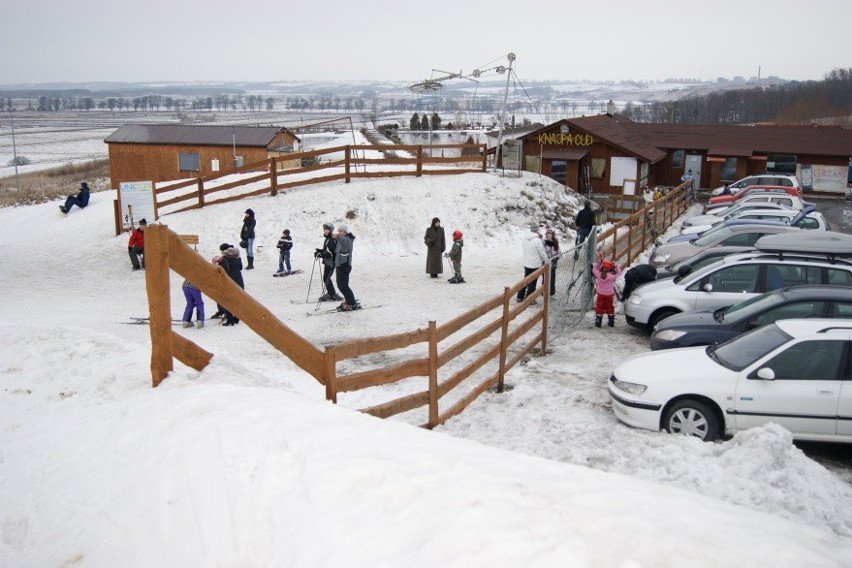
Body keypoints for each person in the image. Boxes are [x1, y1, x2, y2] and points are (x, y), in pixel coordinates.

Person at [517, 224, 548, 303]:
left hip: (527, 262)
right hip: (535, 264)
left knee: (526, 279)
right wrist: (547, 261)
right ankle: (529, 299)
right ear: (537, 230)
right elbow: (542, 253)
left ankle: (520, 296)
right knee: (533, 281)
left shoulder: (525, 239)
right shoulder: (537, 241)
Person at [216, 243, 245, 326]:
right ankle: (237, 318)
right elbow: (240, 267)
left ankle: (230, 320)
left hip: (230, 281)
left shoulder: (224, 259)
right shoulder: (237, 256)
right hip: (239, 279)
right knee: (238, 300)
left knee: (227, 300)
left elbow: (224, 271)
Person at [592, 254, 621, 328]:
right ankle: (611, 322)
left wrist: (599, 262)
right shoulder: (611, 276)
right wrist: (615, 265)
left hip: (600, 294)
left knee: (599, 307)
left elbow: (594, 268)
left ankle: (598, 322)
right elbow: (619, 272)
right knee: (609, 307)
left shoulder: (598, 275)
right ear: (610, 268)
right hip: (609, 295)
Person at [315, 222, 342, 301]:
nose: (325, 231)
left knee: (326, 278)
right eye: (324, 229)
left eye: (327, 229)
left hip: (331, 263)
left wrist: (321, 255)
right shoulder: (328, 239)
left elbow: (331, 253)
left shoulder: (331, 240)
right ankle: (331, 293)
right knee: (326, 278)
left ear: (331, 230)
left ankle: (332, 294)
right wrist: (320, 251)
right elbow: (327, 250)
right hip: (328, 262)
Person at [334, 224, 359, 311]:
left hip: (345, 266)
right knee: (340, 285)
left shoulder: (348, 240)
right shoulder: (340, 241)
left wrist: (337, 236)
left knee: (344, 286)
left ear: (345, 232)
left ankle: (352, 303)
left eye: (341, 231)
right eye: (338, 231)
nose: (339, 232)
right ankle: (348, 300)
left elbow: (344, 242)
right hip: (339, 266)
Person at [543, 227, 560, 296]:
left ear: (553, 235)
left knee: (552, 278)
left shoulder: (555, 243)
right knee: (545, 279)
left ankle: (552, 293)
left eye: (550, 234)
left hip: (553, 264)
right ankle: (544, 292)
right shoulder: (544, 243)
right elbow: (542, 252)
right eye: (548, 234)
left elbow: (559, 252)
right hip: (545, 264)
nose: (549, 235)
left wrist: (555, 258)